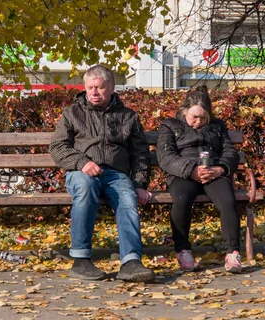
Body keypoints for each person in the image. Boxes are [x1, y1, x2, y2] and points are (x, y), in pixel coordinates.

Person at [50, 64, 155, 282]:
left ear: (111, 87)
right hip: (82, 172)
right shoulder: (72, 113)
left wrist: (140, 184)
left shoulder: (128, 117)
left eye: (98, 88)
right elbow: (58, 147)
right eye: (89, 88)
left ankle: (131, 262)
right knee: (86, 188)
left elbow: (140, 154)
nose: (93, 93)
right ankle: (80, 260)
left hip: (117, 175)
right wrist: (82, 162)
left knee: (128, 199)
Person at [156, 86, 242, 273]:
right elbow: (166, 156)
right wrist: (191, 170)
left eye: (203, 118)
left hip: (214, 172)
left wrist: (220, 169)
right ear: (184, 111)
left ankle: (233, 252)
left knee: (228, 200)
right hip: (183, 174)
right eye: (194, 117)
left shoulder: (218, 126)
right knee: (181, 200)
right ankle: (183, 250)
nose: (198, 122)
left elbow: (230, 152)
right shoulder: (170, 125)